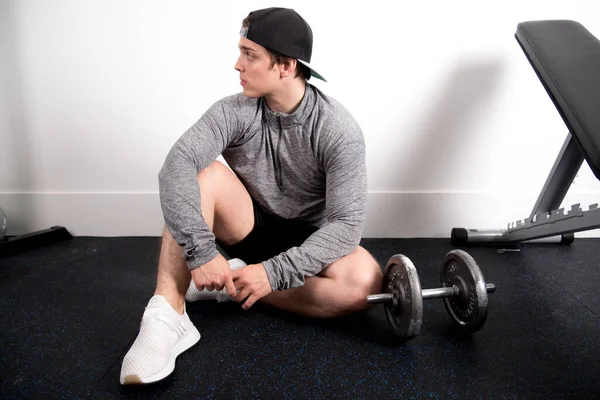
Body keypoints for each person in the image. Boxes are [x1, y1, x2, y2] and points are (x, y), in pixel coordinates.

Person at [120, 7, 383, 385]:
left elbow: (345, 226)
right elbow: (175, 166)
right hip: (248, 225)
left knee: (363, 286)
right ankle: (166, 313)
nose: (237, 65)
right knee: (203, 174)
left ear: (286, 66)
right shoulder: (234, 111)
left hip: (306, 240)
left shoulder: (338, 129)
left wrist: (273, 274)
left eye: (250, 54)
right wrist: (201, 252)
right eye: (240, 51)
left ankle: (234, 280)